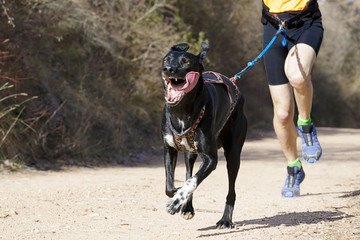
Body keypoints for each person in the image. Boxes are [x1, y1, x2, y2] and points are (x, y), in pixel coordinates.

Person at [261, 0, 323, 197]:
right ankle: (293, 167)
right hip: (274, 26)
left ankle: (305, 125)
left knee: (297, 76)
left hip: (306, 23)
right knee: (282, 114)